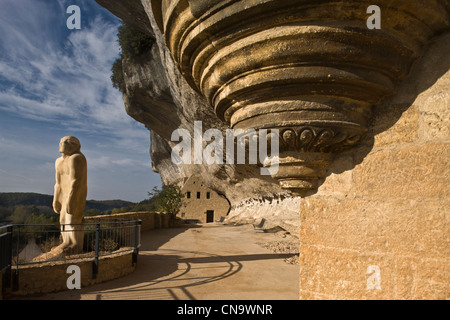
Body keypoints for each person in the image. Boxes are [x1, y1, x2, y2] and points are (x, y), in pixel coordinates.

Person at [52, 136, 87, 254]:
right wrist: (56, 199)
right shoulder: (58, 161)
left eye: (68, 142)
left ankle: (76, 245)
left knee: (72, 220)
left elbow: (76, 181)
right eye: (61, 141)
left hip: (75, 194)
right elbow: (58, 183)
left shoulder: (76, 158)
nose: (63, 143)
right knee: (62, 220)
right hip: (63, 195)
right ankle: (66, 242)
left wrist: (72, 199)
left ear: (77, 147)